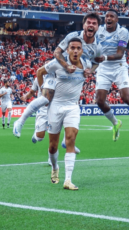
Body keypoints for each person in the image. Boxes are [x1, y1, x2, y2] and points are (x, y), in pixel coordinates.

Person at [13, 12, 102, 142]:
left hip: (73, 78)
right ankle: (20, 122)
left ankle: (59, 147)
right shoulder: (72, 36)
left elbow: (96, 63)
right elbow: (57, 52)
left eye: (94, 23)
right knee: (46, 98)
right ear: (84, 25)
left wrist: (90, 71)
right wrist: (65, 66)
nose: (91, 25)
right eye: (88, 22)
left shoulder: (98, 46)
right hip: (58, 70)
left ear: (98, 27)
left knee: (66, 109)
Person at [36, 38, 92, 190]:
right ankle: (55, 167)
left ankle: (68, 180)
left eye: (78, 48)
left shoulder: (86, 64)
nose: (75, 51)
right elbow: (39, 72)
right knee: (53, 146)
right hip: (55, 106)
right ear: (67, 50)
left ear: (82, 51)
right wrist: (44, 94)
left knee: (70, 139)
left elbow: (96, 66)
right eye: (72, 48)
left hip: (72, 107)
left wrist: (90, 72)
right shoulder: (57, 63)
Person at [94, 9, 129, 141]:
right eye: (107, 16)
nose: (109, 18)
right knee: (99, 101)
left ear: (117, 19)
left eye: (112, 16)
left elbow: (120, 54)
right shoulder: (99, 30)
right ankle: (115, 123)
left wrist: (104, 57)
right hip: (103, 68)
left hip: (119, 66)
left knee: (125, 97)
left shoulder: (123, 32)